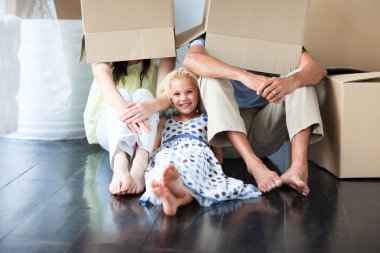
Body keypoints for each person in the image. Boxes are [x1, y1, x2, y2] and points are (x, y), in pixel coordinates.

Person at [182, 36, 326, 196]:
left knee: (301, 79)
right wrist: (244, 76)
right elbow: (191, 59)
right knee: (210, 79)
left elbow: (317, 68)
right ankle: (254, 165)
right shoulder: (210, 32)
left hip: (264, 133)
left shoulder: (275, 31)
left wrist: (291, 81)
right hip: (224, 141)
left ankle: (298, 168)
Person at [139, 67, 261, 216]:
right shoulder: (164, 121)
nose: (183, 98)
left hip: (197, 153)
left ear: (198, 93)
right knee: (165, 164)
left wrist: (211, 168)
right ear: (170, 99)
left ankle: (175, 192)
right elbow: (154, 150)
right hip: (169, 152)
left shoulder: (207, 119)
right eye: (177, 94)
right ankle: (172, 193)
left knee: (192, 168)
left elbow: (217, 153)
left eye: (189, 92)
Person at [84, 57, 175, 195]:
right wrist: (130, 113)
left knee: (144, 95)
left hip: (145, 132)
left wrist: (150, 106)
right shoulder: (101, 45)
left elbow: (166, 93)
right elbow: (102, 75)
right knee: (121, 94)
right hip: (110, 128)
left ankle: (140, 164)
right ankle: (120, 165)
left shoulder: (159, 49)